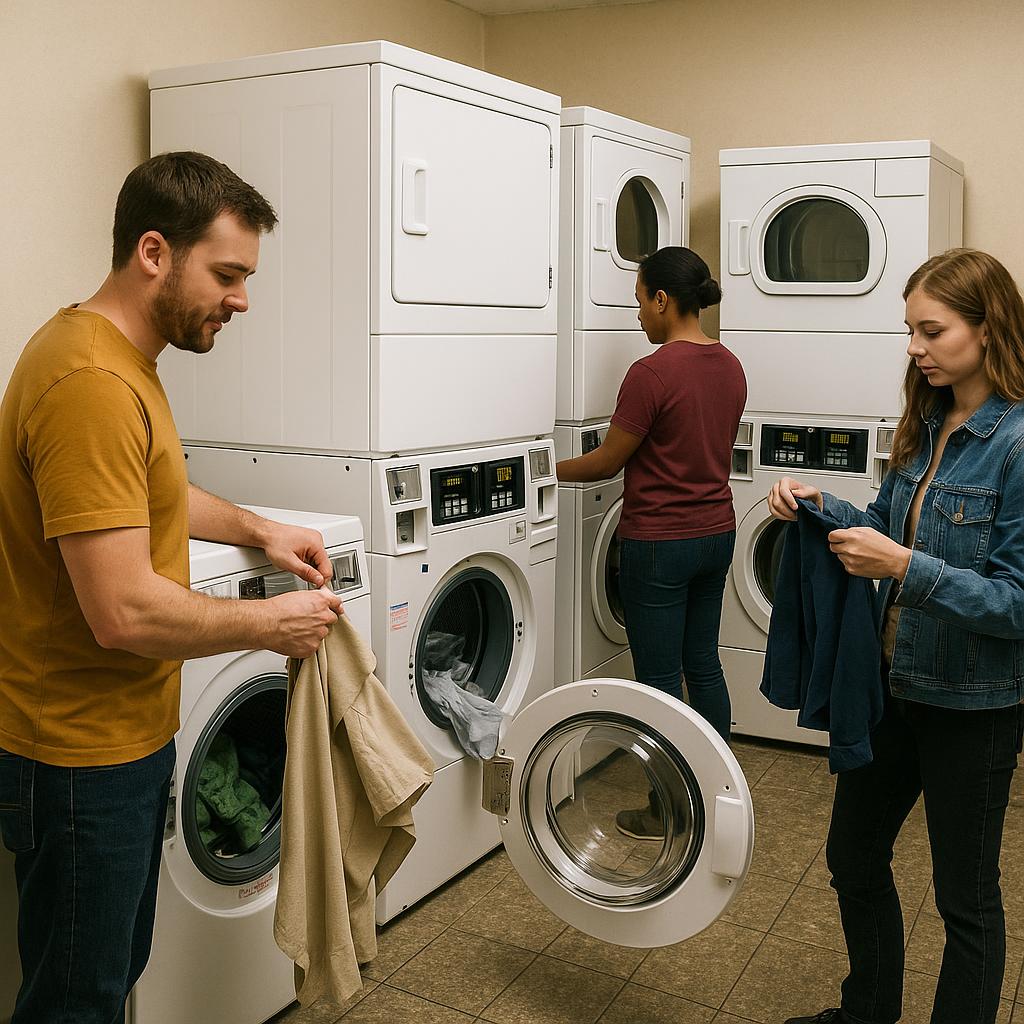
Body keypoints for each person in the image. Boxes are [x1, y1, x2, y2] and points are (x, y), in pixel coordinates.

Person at [0, 151, 345, 1024]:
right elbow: (119, 611)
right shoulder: (90, 384)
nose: (241, 299)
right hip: (79, 754)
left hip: (119, 739)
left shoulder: (115, 356)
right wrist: (272, 623)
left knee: (110, 975)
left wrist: (260, 530)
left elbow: (149, 494)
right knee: (78, 1000)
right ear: (154, 251)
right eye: (227, 273)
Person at [769, 248, 1024, 1024]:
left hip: (972, 707)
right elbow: (886, 526)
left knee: (966, 901)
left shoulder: (1016, 446)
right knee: (853, 857)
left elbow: (1017, 603)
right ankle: (867, 1012)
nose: (914, 347)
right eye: (909, 330)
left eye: (931, 330)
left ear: (988, 330)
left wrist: (905, 568)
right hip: (893, 687)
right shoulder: (925, 421)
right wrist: (823, 507)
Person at [556, 245, 747, 840]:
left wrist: (541, 471)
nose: (638, 313)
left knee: (660, 683)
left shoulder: (651, 372)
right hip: (717, 534)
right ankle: (719, 795)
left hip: (659, 544)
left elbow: (610, 462)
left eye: (640, 300)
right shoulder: (730, 364)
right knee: (704, 667)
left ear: (663, 300)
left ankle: (668, 807)